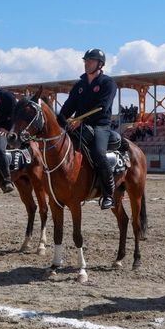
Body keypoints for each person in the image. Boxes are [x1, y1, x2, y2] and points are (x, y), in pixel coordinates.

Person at [58, 48, 118, 210]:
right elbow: (67, 109)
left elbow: (102, 107)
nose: (86, 63)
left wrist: (81, 119)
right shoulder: (79, 85)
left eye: (90, 61)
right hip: (78, 125)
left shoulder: (108, 83)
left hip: (100, 125)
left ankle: (108, 194)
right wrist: (60, 120)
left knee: (99, 153)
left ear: (100, 64)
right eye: (85, 61)